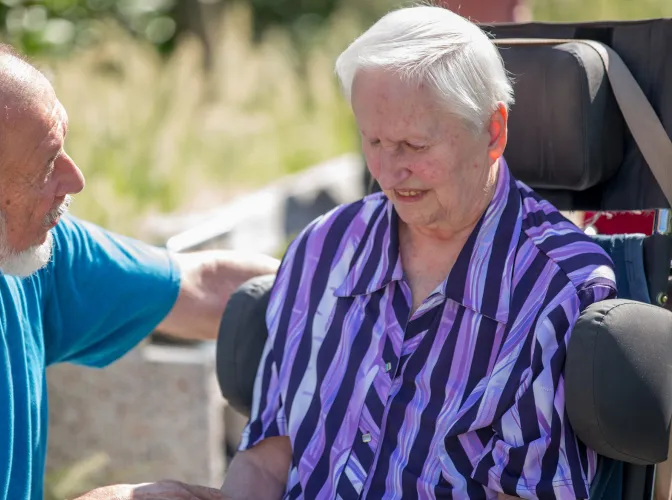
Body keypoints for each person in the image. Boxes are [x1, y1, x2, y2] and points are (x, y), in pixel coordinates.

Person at [111, 5, 620, 500]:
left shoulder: (558, 285)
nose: (389, 170)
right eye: (372, 140)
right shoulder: (322, 250)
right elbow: (268, 459)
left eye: (414, 146)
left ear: (493, 132)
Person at [0, 36, 280, 499]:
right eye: (47, 166)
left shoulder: (13, 242)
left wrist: (354, 287)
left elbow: (201, 288)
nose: (75, 180)